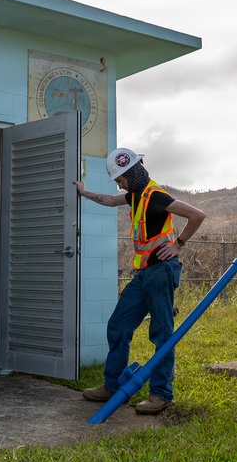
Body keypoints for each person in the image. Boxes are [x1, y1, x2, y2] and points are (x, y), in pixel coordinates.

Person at [74, 147, 206, 415]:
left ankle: (161, 394)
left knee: (161, 333)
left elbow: (197, 215)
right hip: (145, 272)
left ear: (132, 173)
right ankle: (112, 386)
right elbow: (112, 201)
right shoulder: (136, 195)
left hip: (162, 271)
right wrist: (84, 192)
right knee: (118, 325)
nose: (120, 185)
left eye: (121, 179)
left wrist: (178, 244)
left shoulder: (156, 195)